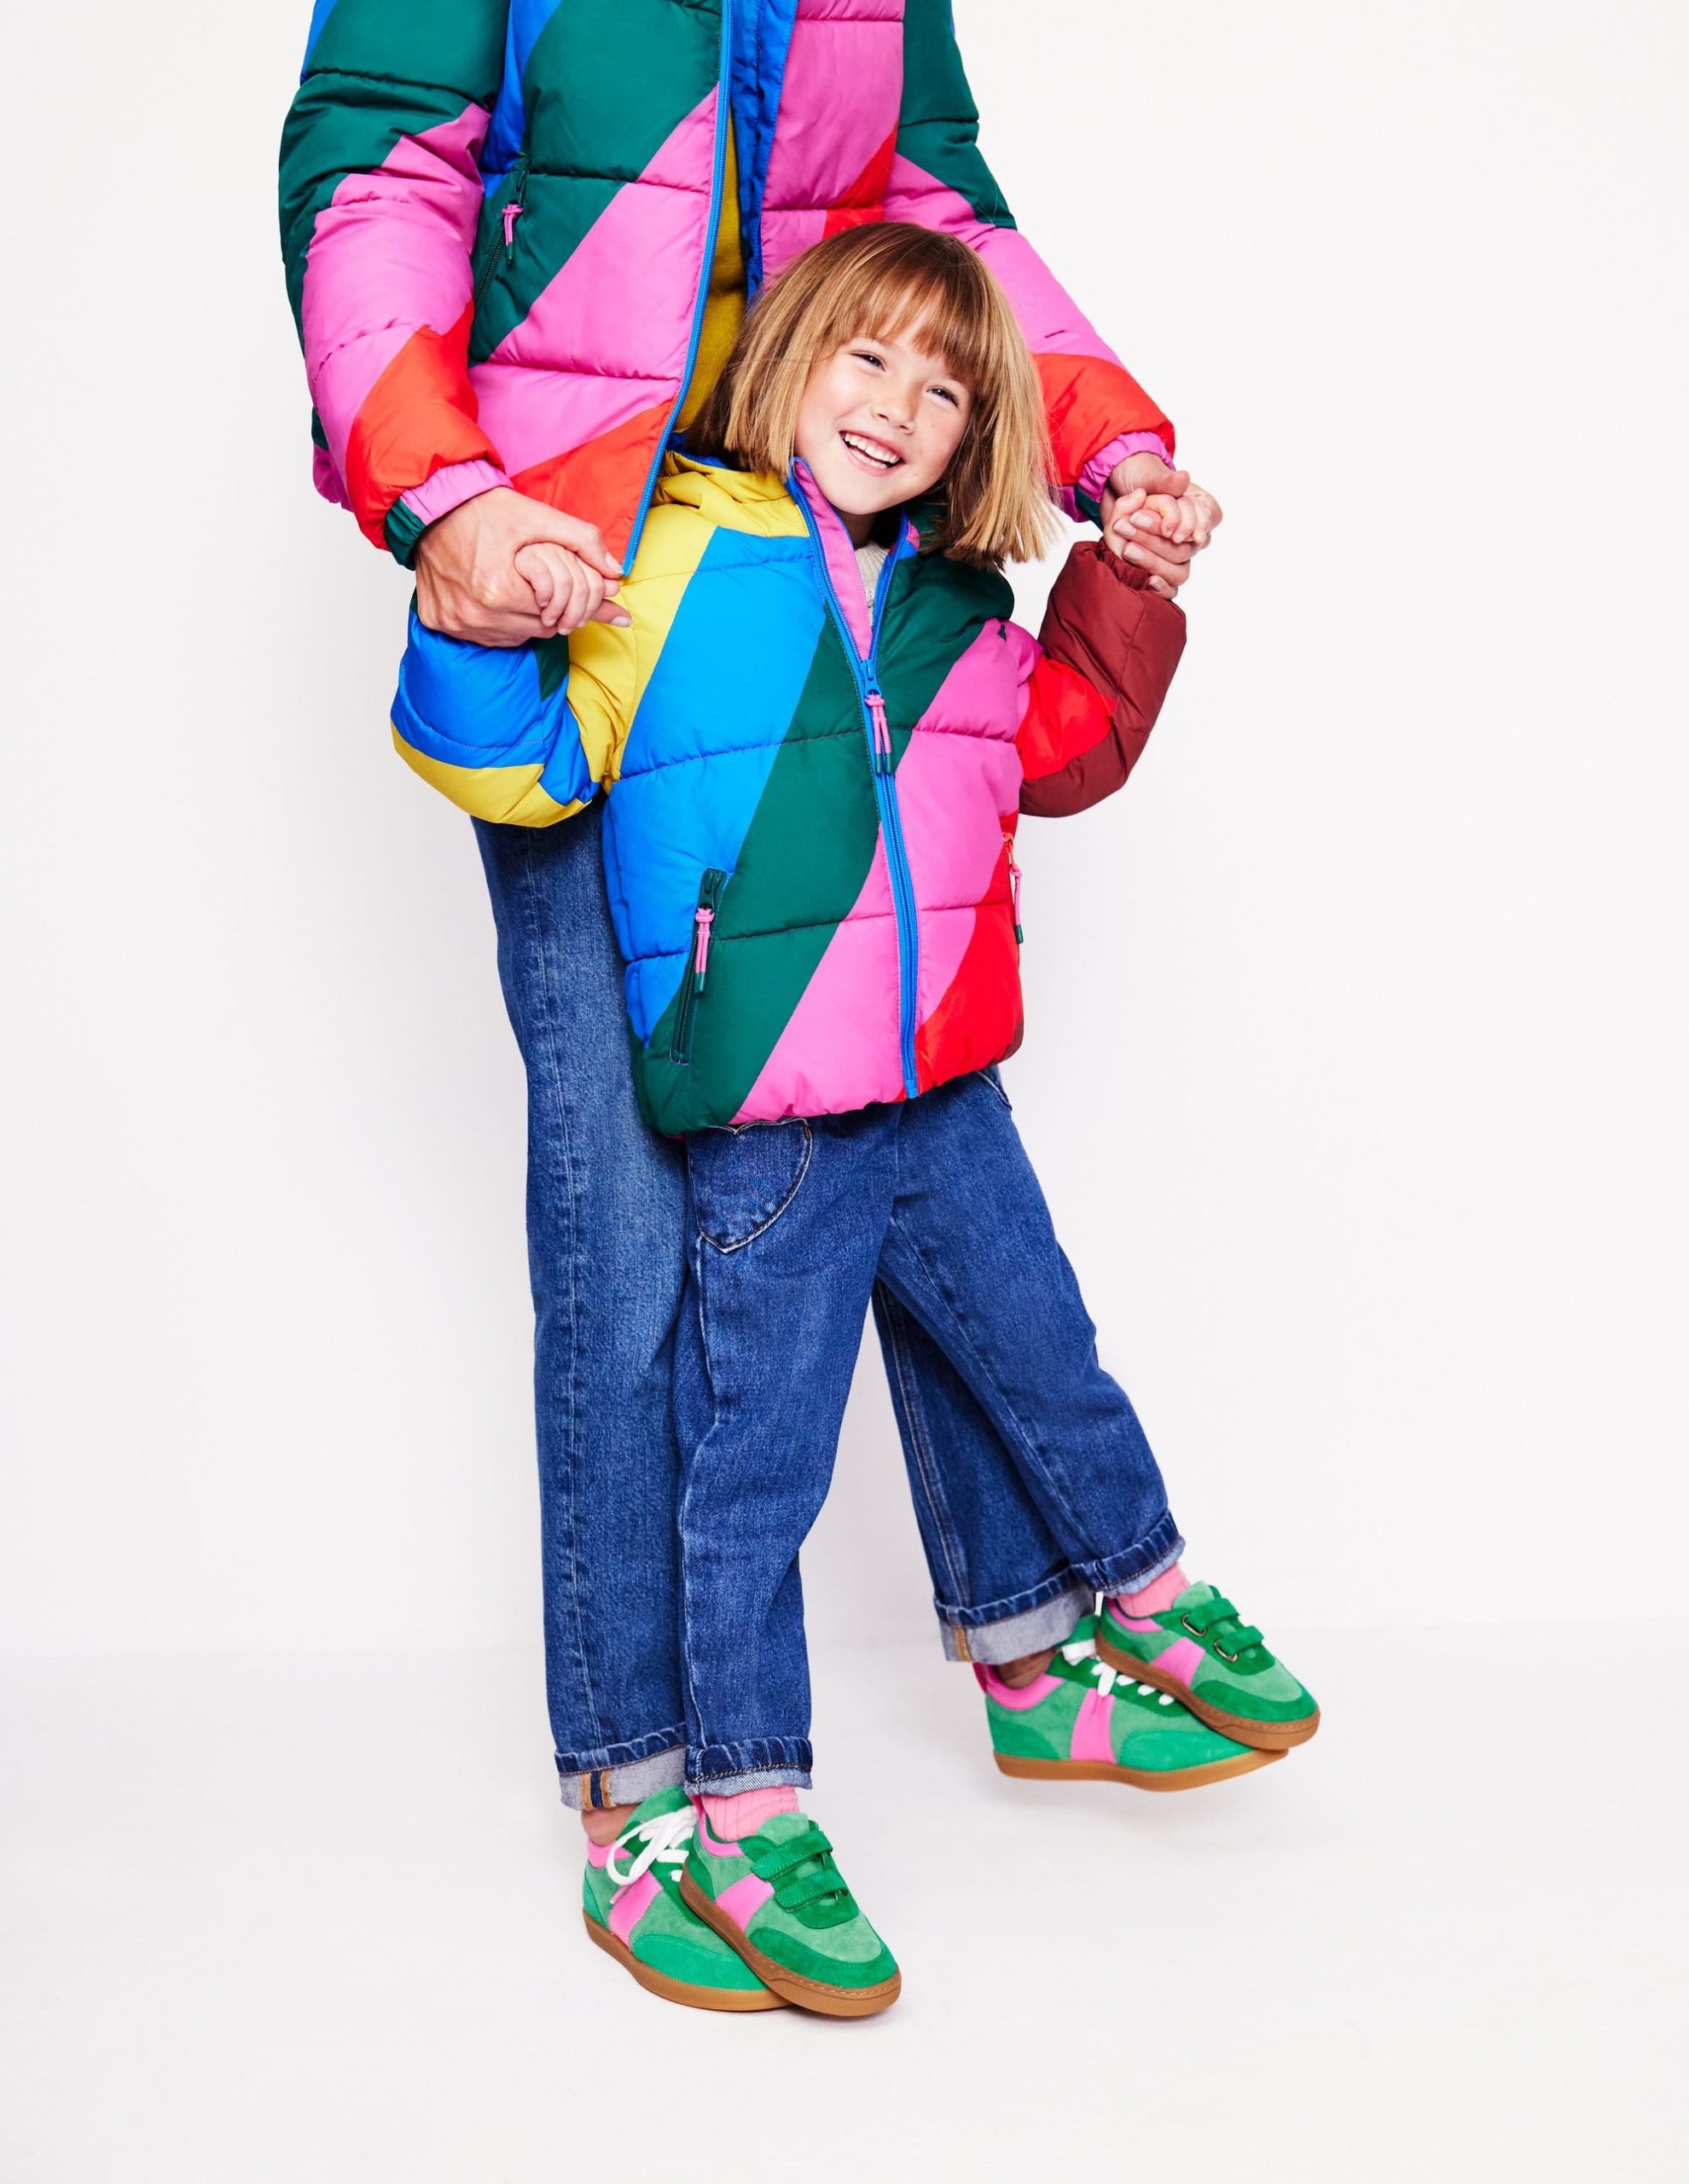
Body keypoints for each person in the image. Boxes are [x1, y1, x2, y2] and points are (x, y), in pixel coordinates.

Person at [278, 3, 1221, 1896]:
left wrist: (1111, 450)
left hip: (851, 563)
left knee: (918, 1124)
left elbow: (938, 202)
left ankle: (1034, 1639)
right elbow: (381, 162)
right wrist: (447, 500)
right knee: (632, 1232)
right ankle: (651, 1784)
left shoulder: (936, 581)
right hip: (584, 569)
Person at [395, 224, 1316, 2018]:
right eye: (867, 358)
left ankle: (1139, 1594)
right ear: (790, 353)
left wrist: (1125, 581)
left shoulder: (956, 598)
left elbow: (1059, 750)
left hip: (946, 1090)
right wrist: (468, 630)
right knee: (758, 1472)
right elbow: (523, 773)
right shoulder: (667, 559)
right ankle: (749, 1799)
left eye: (948, 387)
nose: (898, 405)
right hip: (777, 1124)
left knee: (1047, 1349)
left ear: (984, 429)